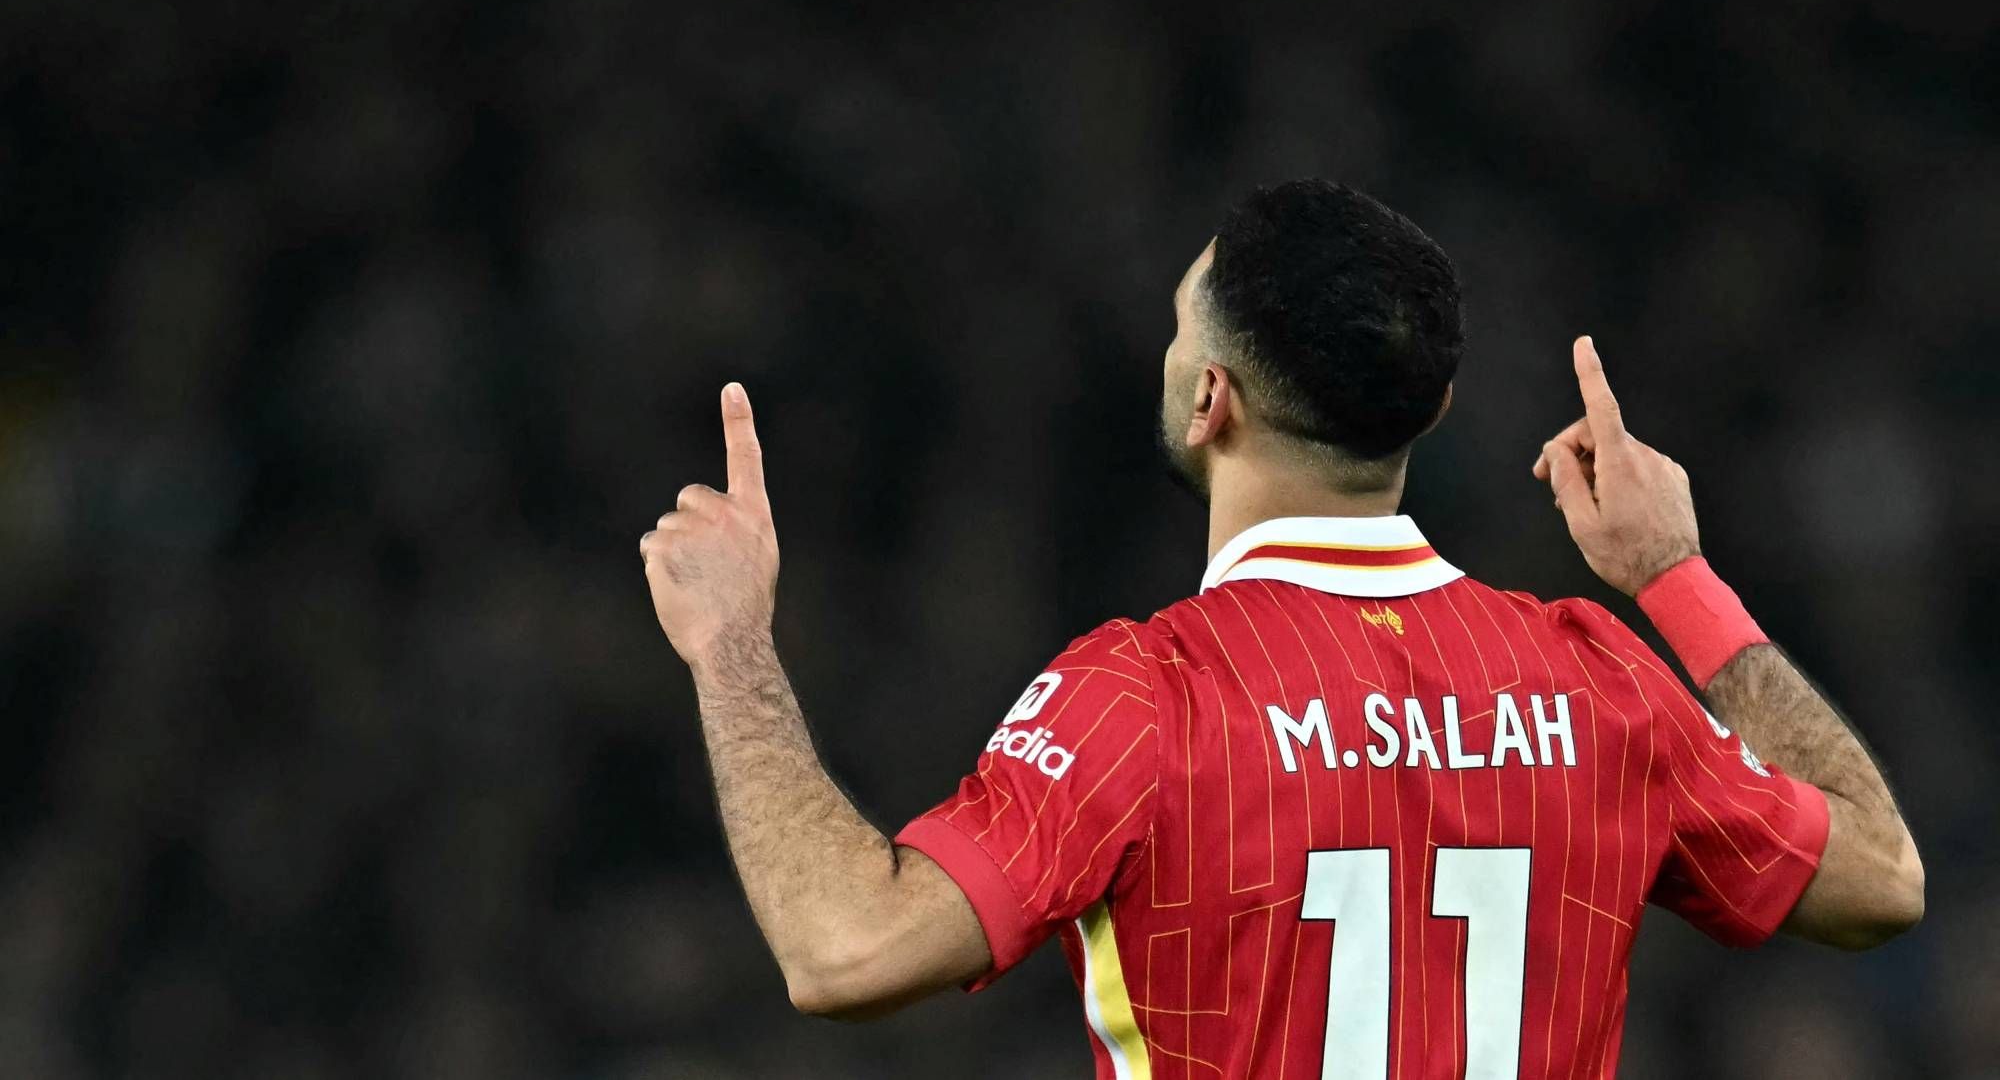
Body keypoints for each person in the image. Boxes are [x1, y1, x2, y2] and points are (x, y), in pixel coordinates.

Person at [639, 180, 1923, 1077]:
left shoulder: (1144, 696)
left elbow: (844, 949)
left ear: (1209, 399)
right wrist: (1673, 575)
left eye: (1176, 328)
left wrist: (732, 643)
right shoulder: (1594, 681)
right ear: (1431, 407)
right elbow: (1881, 879)